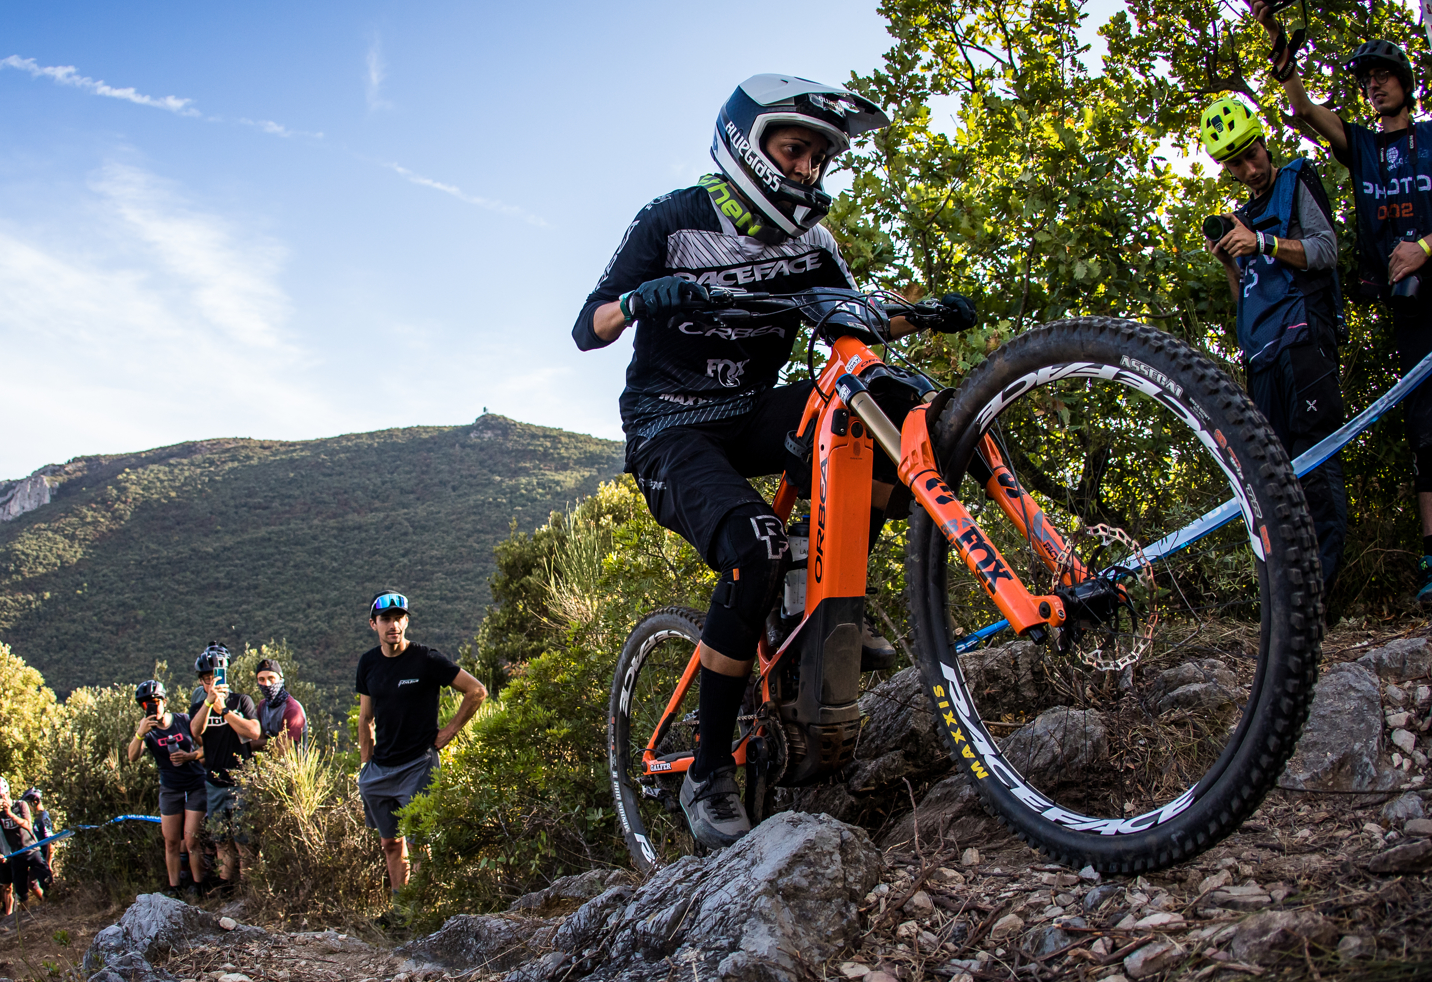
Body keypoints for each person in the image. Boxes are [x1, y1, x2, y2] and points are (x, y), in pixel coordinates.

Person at [571, 75, 975, 846]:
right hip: (670, 427)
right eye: (793, 151)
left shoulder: (812, 243)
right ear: (748, 147)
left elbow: (853, 319)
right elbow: (587, 327)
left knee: (870, 408)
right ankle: (706, 771)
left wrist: (921, 311)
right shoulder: (673, 219)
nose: (806, 171)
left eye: (819, 159)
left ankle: (823, 607)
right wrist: (640, 301)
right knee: (752, 546)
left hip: (751, 410)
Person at [1258, 16, 1432, 604]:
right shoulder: (1362, 147)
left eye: (1385, 76)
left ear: (1407, 83)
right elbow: (1309, 111)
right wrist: (1282, 57)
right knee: (1428, 429)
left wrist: (1424, 248)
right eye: (1367, 81)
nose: (1375, 87)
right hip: (1408, 308)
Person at [1199, 94, 1351, 585]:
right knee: (1276, 475)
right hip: (1261, 353)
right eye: (1236, 163)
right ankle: (1293, 591)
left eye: (1252, 154)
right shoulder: (1241, 215)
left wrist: (1262, 241)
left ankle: (1325, 589)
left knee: (1318, 462)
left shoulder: (1296, 179)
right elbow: (1246, 294)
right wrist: (1229, 260)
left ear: (1266, 142)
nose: (1249, 168)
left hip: (1305, 337)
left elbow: (1327, 249)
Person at [355, 591, 486, 903]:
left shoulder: (425, 658)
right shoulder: (368, 663)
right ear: (373, 624)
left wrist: (449, 732)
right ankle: (401, 908)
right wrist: (365, 765)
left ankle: (421, 910)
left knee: (418, 842)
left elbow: (476, 691)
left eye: (399, 618)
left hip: (418, 766)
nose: (393, 624)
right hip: (380, 770)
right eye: (386, 619)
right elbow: (365, 717)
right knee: (389, 843)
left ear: (407, 621)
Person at [188, 643, 263, 895]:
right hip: (214, 782)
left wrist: (226, 711)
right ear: (202, 683)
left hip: (241, 781)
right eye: (206, 679)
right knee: (221, 840)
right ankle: (226, 889)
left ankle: (249, 890)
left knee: (244, 840)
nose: (211, 682)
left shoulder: (241, 700)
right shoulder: (200, 707)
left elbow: (253, 731)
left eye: (215, 677)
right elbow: (195, 733)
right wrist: (209, 705)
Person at [126, 679, 208, 897]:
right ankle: (174, 888)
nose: (152, 707)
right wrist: (139, 733)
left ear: (164, 701)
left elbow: (205, 747)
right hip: (170, 788)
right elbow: (132, 757)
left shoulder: (183, 720)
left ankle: (198, 885)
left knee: (191, 840)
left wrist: (189, 756)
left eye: (155, 701)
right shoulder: (148, 731)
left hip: (195, 785)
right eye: (145, 705)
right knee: (171, 841)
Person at [0, 792, 38, 914]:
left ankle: (42, 903)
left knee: (30, 884)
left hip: (16, 852)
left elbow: (22, 827)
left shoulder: (6, 811)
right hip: (4, 855)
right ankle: (9, 915)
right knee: (6, 887)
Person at [19, 787, 55, 897]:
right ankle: (44, 902)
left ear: (35, 801)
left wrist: (48, 863)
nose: (28, 807)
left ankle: (51, 903)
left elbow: (51, 842)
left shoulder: (43, 817)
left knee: (47, 885)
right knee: (31, 881)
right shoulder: (37, 818)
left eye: (29, 803)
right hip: (39, 856)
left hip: (45, 856)